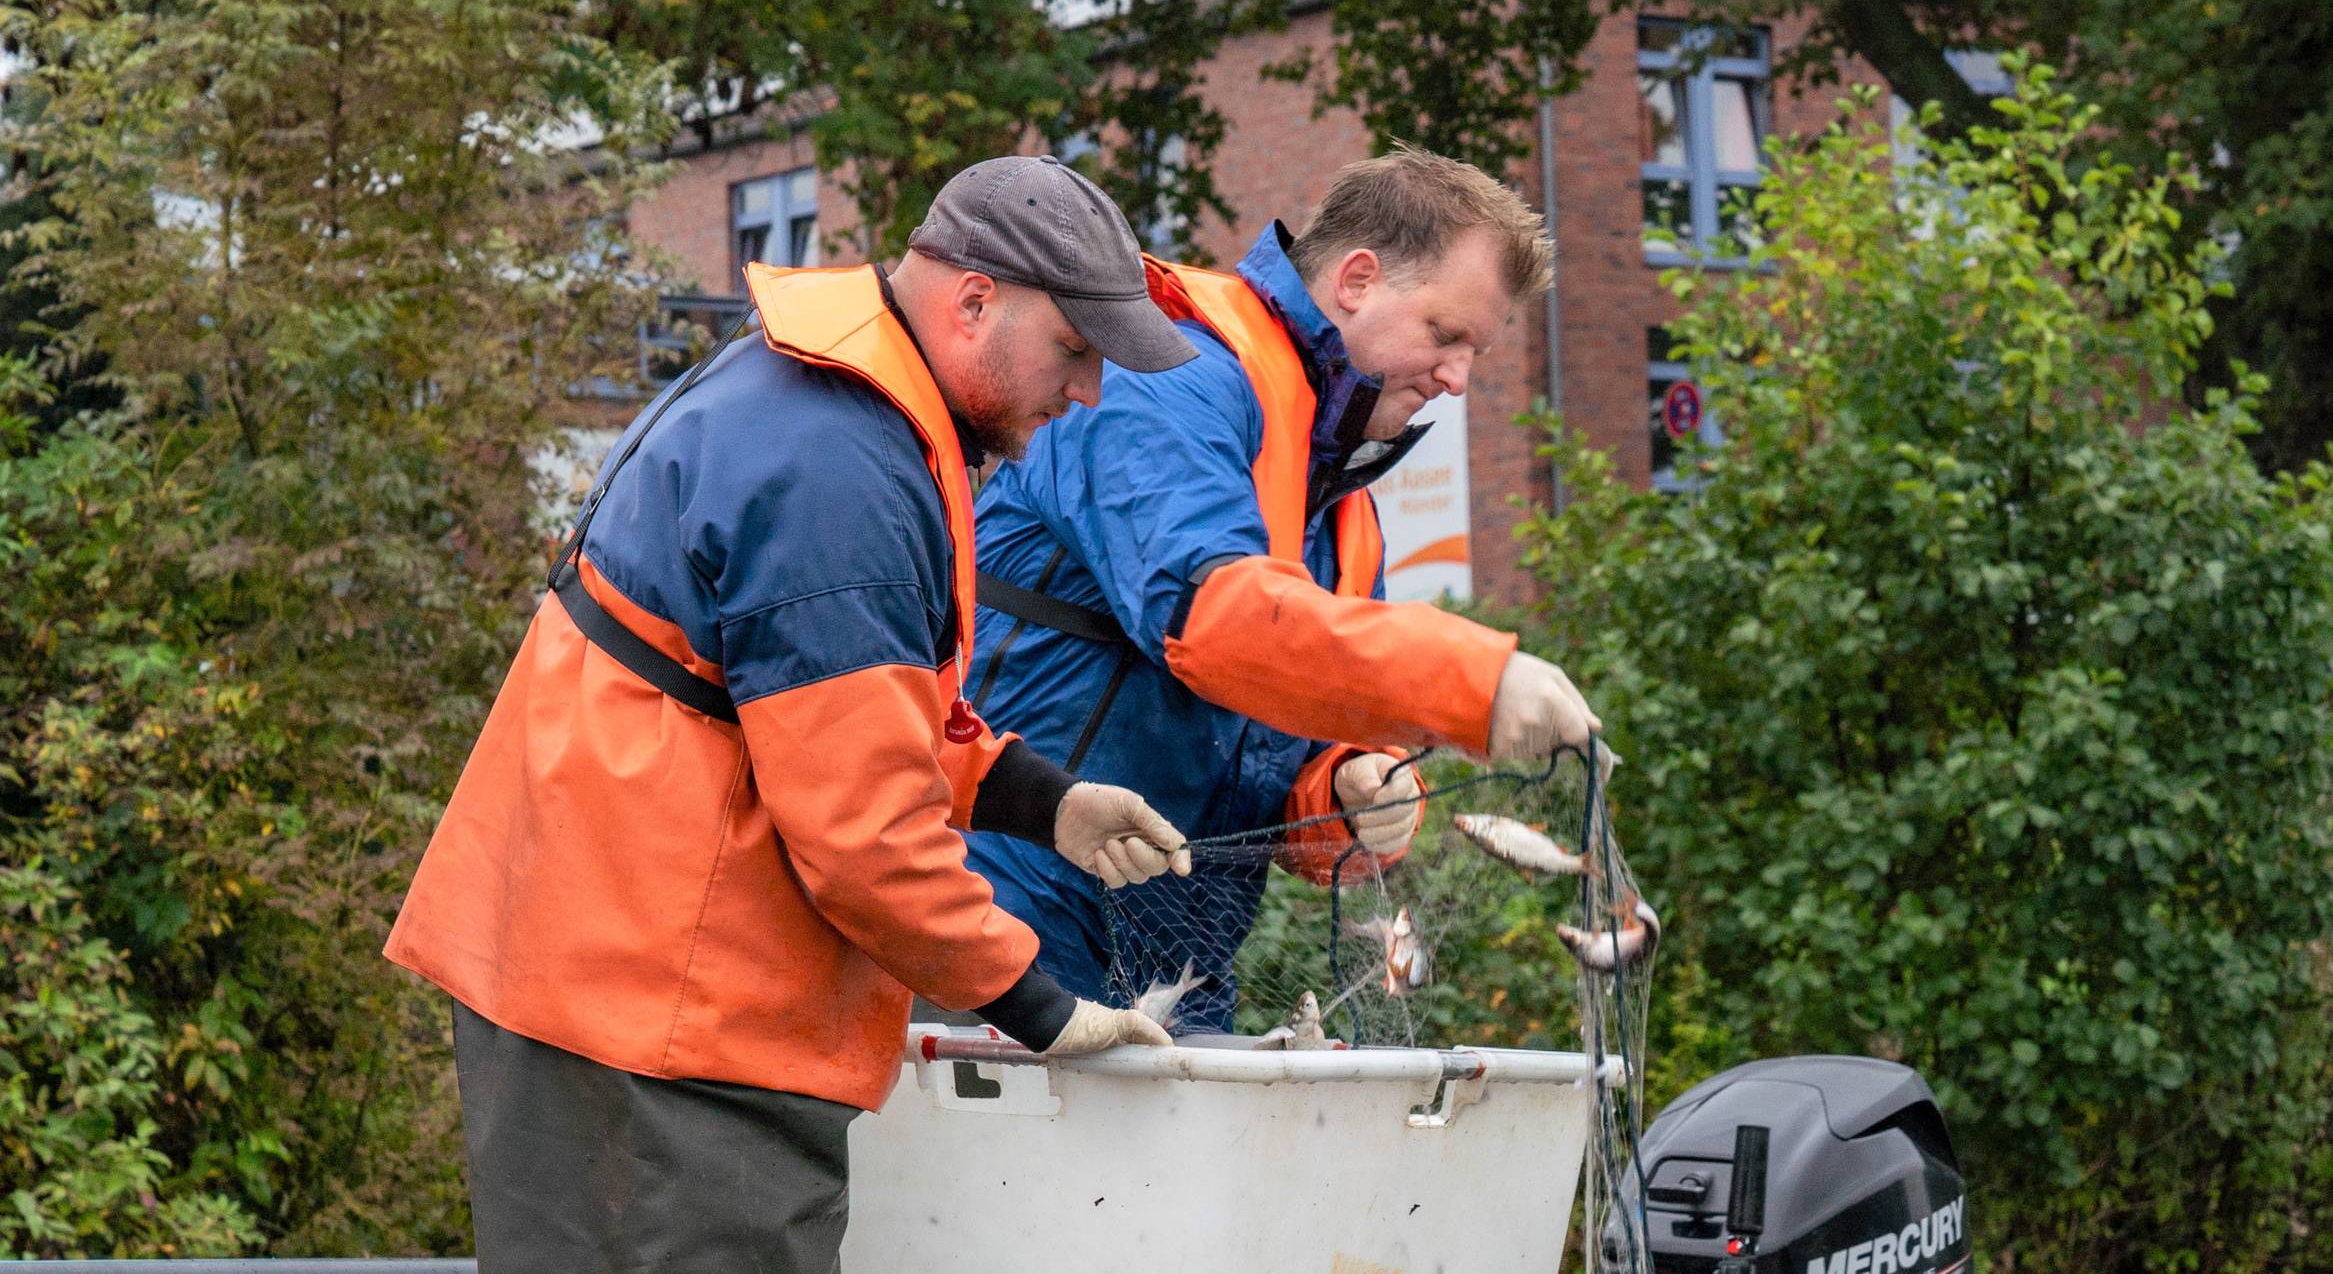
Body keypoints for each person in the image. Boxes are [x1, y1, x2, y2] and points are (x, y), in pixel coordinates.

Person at [384, 155, 1199, 1273]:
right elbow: (864, 838)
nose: (1091, 389)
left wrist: (1038, 799)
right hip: (658, 1026)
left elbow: (811, 712)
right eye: (1076, 349)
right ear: (975, 300)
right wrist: (1042, 1004)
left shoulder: (824, 405)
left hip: (605, 978)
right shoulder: (842, 468)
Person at [955, 145, 1601, 1035]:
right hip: (1002, 927)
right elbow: (1215, 624)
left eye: (1474, 353)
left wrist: (1348, 794)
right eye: (1448, 336)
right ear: (1358, 280)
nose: (1458, 379)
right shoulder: (1169, 379)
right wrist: (1472, 684)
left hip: (1178, 966)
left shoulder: (1341, 504)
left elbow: (1291, 766)